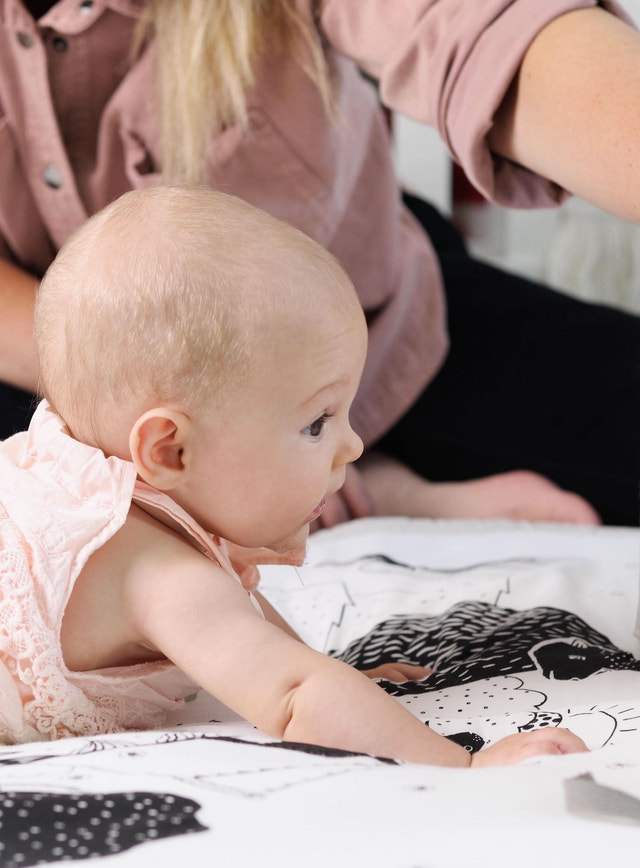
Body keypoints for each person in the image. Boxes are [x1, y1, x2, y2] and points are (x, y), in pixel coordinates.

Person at [0, 2, 640, 582]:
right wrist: (188, 423)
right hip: (41, 378)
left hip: (382, 333)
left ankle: (382, 488)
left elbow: (496, 31)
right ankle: (395, 499)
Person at [0, 184, 587, 763]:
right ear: (171, 451)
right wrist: (465, 764)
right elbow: (293, 696)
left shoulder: (108, 487)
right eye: (317, 422)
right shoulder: (158, 574)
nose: (352, 446)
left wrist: (339, 679)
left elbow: (276, 649)